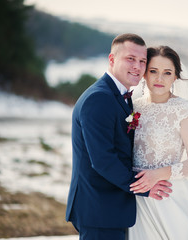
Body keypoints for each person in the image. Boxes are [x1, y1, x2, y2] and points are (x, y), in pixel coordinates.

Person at [65, 34, 172, 240]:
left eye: (142, 61)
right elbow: (103, 159)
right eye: (130, 59)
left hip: (110, 207)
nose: (137, 66)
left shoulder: (120, 96)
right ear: (112, 59)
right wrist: (144, 187)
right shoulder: (99, 99)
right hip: (99, 207)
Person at [128, 46, 188, 239]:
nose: (159, 79)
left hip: (169, 196)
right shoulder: (133, 108)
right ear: (144, 74)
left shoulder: (184, 110)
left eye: (167, 73)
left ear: (175, 77)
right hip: (137, 199)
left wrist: (158, 175)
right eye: (153, 71)